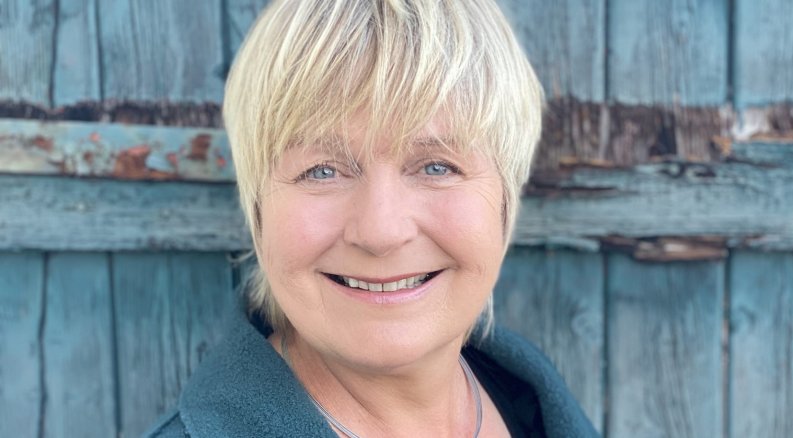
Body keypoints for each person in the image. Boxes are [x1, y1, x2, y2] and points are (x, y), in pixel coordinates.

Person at [146, 0, 597, 436]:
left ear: (505, 196)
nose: (381, 232)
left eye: (437, 167)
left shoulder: (530, 406)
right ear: (259, 208)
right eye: (323, 170)